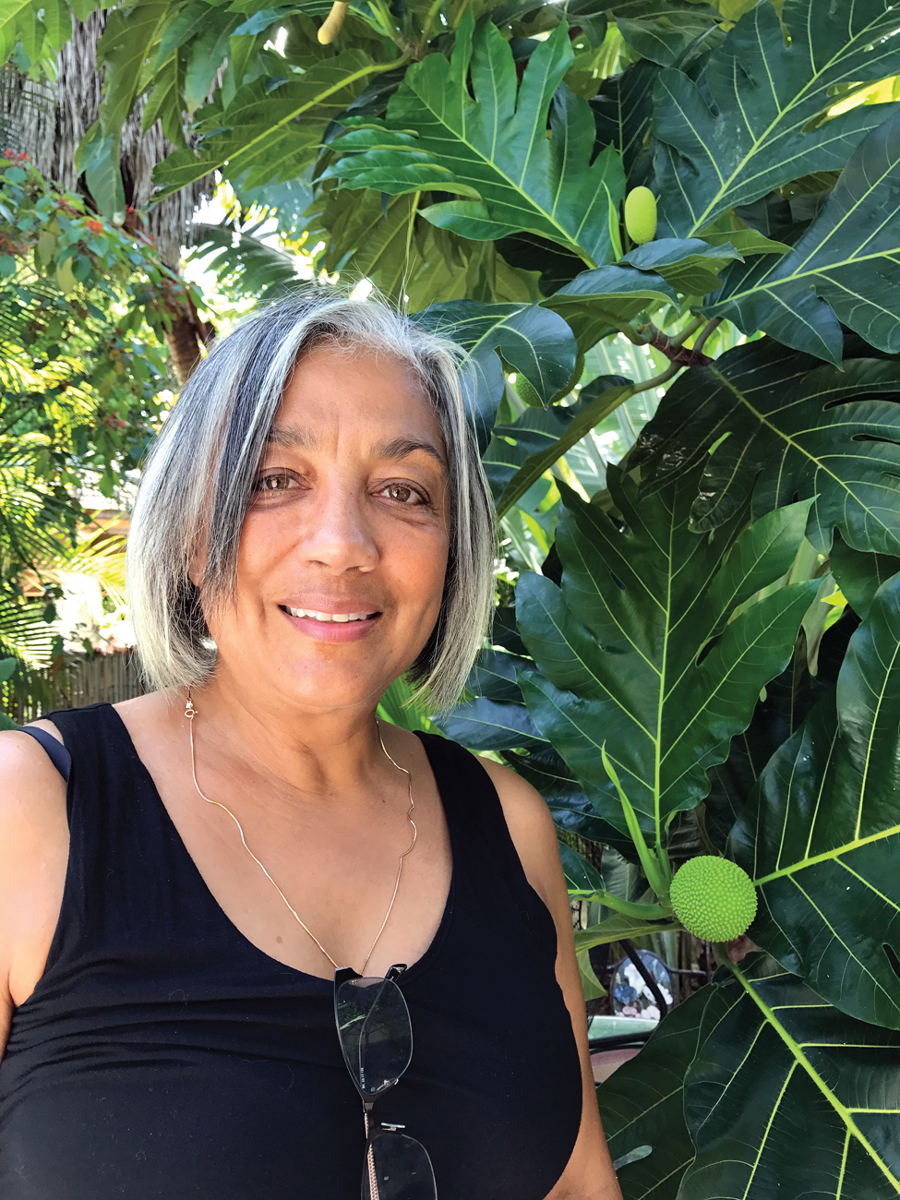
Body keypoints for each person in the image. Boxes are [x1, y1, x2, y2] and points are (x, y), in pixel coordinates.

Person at [0, 292, 623, 1199]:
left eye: (403, 491)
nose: (342, 545)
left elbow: (577, 1183)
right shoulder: (29, 809)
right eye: (274, 478)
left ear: (452, 553)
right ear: (186, 531)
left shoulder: (507, 822)